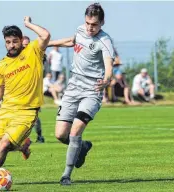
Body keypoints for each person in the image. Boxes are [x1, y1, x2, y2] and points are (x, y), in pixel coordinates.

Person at [0, 16, 50, 187]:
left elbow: (45, 35)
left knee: (4, 145)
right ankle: (23, 145)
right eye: (8, 42)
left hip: (26, 112)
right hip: (5, 111)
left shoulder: (33, 51)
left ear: (22, 41)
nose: (12, 45)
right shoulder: (2, 65)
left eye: (15, 41)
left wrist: (28, 25)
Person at [48, 3, 115, 185]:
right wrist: (48, 44)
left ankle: (66, 175)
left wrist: (107, 80)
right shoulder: (80, 30)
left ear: (102, 23)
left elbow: (109, 66)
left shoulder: (105, 41)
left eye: (94, 24)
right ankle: (83, 146)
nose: (89, 28)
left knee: (76, 130)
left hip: (92, 90)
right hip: (73, 87)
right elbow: (72, 41)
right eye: (87, 23)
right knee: (61, 135)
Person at [22, 35, 44, 143]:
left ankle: (39, 136)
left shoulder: (35, 55)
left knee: (34, 117)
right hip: (20, 92)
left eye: (27, 45)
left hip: (34, 91)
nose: (26, 47)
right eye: (24, 45)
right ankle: (23, 138)